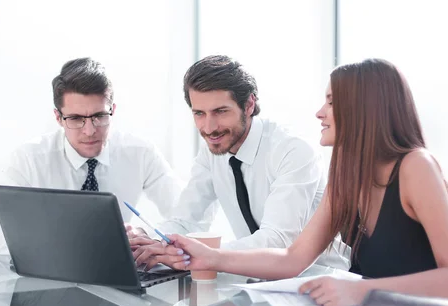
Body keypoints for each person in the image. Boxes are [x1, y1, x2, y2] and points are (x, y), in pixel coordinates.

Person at [143, 58, 448, 306]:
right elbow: (292, 258)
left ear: (364, 109)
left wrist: (361, 293)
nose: (319, 112)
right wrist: (211, 257)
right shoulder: (347, 173)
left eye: (331, 101)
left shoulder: (415, 167)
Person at [131, 55, 348, 270]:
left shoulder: (291, 150)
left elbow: (278, 239)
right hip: (258, 282)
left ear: (249, 104)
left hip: (321, 277)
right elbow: (185, 220)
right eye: (199, 113)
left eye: (221, 111)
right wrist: (150, 240)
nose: (209, 127)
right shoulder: (212, 152)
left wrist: (209, 255)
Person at [0, 57, 182, 254]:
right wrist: (53, 242)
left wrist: (148, 237)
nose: (89, 131)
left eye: (99, 116)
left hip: (117, 273)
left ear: (113, 110)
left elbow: (187, 216)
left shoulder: (140, 153)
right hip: (51, 274)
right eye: (76, 118)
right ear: (58, 117)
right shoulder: (29, 160)